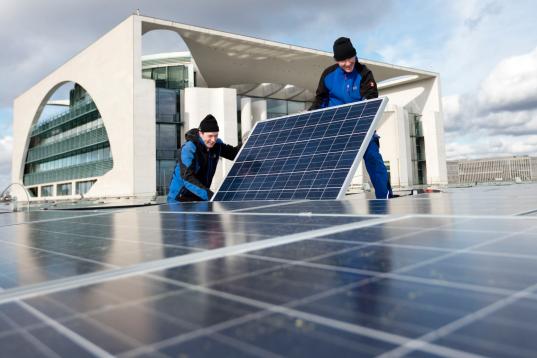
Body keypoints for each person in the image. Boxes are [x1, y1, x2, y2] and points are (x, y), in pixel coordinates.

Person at [309, 37, 393, 199]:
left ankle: (385, 197)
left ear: (355, 55)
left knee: (373, 158)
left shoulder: (364, 73)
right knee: (327, 164)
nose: (347, 63)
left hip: (361, 126)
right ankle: (327, 199)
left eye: (350, 58)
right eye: (342, 60)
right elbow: (320, 99)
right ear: (336, 60)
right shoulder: (328, 75)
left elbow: (371, 100)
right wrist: (311, 115)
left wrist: (361, 118)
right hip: (334, 129)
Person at [167, 114, 240, 202]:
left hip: (200, 197)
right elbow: (187, 178)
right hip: (179, 199)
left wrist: (250, 140)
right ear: (201, 133)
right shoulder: (189, 148)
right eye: (210, 136)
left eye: (216, 135)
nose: (213, 140)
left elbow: (235, 153)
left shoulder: (217, 145)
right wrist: (210, 196)